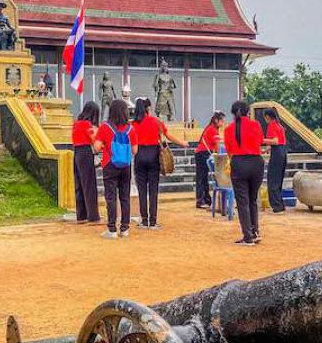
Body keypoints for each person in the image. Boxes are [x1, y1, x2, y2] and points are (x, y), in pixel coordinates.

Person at [132, 98, 188, 230]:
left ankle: (144, 220)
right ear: (148, 108)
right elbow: (167, 136)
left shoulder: (133, 124)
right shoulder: (156, 122)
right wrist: (182, 143)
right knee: (153, 190)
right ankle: (153, 222)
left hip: (139, 156)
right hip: (153, 156)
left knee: (141, 190)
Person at [93, 99, 139, 239]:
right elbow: (135, 150)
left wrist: (105, 146)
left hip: (109, 164)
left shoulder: (105, 127)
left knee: (111, 197)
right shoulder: (130, 129)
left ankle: (112, 229)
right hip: (125, 166)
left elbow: (96, 147)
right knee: (125, 197)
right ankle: (124, 229)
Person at [224, 101, 265, 246]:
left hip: (239, 163)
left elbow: (229, 151)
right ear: (247, 112)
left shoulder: (229, 129)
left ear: (233, 113)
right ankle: (255, 232)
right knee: (253, 200)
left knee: (243, 202)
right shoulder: (256, 125)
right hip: (256, 162)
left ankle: (248, 236)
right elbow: (260, 141)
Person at [72, 101, 101, 225]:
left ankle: (81, 215)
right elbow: (94, 140)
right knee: (89, 185)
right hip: (85, 153)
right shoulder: (87, 125)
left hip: (77, 153)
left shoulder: (76, 123)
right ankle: (93, 216)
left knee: (79, 184)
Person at [195, 111, 226, 208]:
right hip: (202, 153)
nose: (223, 123)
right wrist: (219, 158)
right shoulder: (213, 130)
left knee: (203, 177)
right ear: (216, 120)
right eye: (222, 121)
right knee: (201, 177)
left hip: (202, 153)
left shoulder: (211, 128)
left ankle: (206, 199)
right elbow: (217, 146)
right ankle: (200, 200)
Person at [263, 107, 288, 214]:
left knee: (272, 180)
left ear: (267, 117)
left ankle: (277, 206)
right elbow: (279, 142)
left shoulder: (271, 125)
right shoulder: (279, 125)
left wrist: (260, 139)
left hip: (277, 154)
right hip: (282, 152)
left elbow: (275, 141)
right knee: (278, 180)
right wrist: (266, 150)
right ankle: (280, 205)